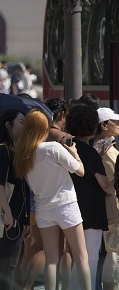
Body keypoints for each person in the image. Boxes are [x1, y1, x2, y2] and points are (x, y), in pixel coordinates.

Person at [14, 109, 90, 290]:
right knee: (81, 256)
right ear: (44, 128)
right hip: (66, 205)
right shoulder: (53, 148)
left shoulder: (23, 154)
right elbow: (80, 171)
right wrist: (74, 152)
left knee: (51, 258)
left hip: (43, 209)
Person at [66, 104, 116, 290]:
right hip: (91, 212)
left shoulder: (67, 147)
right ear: (93, 127)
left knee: (77, 260)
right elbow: (104, 184)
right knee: (89, 261)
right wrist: (114, 192)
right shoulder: (90, 153)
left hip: (71, 210)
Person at [0, 109, 30, 289]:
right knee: (3, 263)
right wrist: (8, 212)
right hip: (7, 216)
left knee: (10, 264)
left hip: (17, 215)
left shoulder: (16, 150)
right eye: (21, 121)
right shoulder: (2, 150)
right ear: (8, 124)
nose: (25, 125)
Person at [94, 107, 119, 290]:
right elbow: (110, 183)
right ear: (103, 125)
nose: (118, 124)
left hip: (103, 207)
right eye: (114, 121)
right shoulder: (106, 151)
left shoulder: (97, 147)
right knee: (113, 253)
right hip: (112, 207)